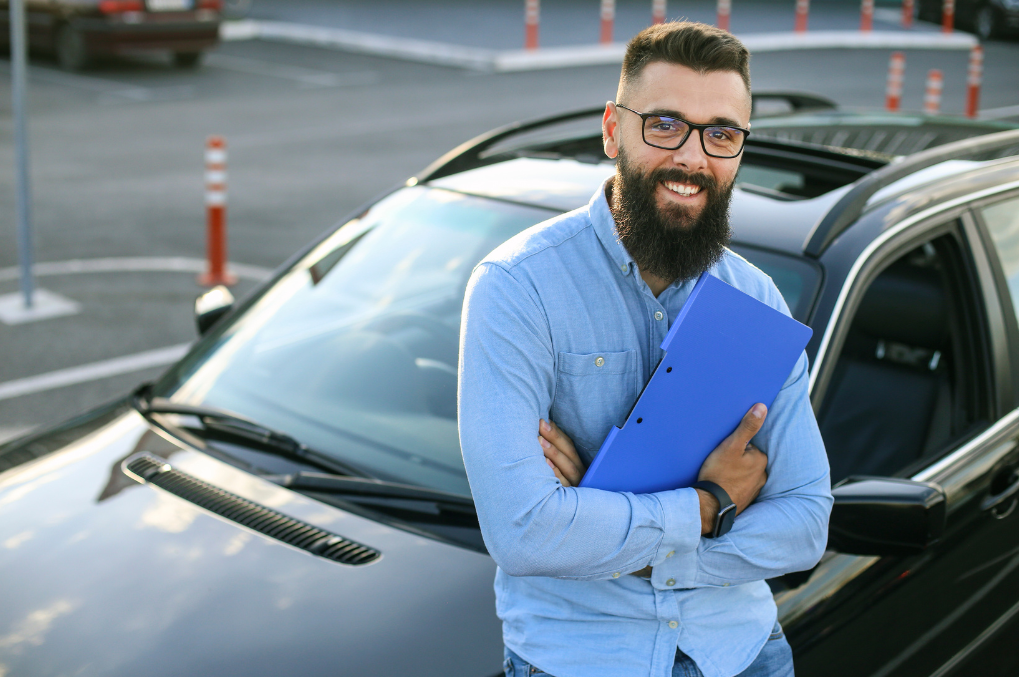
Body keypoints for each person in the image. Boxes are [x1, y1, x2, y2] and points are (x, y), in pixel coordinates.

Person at [458, 21, 832, 677]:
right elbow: (523, 532)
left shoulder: (757, 300)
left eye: (720, 133)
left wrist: (597, 527)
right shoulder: (517, 287)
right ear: (612, 131)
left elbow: (804, 523)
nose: (692, 157)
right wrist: (709, 505)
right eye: (664, 124)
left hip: (740, 654)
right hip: (578, 660)